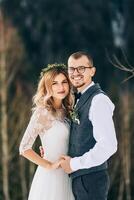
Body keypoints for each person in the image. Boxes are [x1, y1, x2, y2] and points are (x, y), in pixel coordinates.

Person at [60, 51, 118, 200]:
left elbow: (108, 145)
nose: (75, 73)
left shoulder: (98, 100)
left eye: (81, 68)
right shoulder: (78, 99)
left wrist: (74, 164)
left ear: (92, 71)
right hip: (80, 180)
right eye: (71, 69)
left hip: (91, 180)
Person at [19, 64, 75, 200]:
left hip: (70, 175)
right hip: (51, 177)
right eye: (55, 83)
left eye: (64, 82)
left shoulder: (70, 111)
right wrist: (49, 165)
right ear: (47, 86)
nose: (61, 87)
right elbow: (24, 148)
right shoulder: (42, 113)